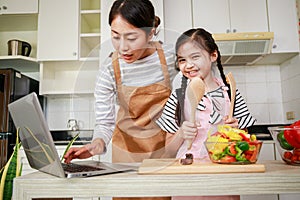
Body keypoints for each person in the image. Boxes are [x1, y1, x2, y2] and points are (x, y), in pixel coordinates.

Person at [64, 0, 176, 199]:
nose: (123, 47)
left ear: (151, 33)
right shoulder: (109, 68)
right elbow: (105, 123)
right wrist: (96, 144)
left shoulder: (171, 57)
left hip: (163, 152)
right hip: (125, 154)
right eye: (115, 37)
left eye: (132, 37)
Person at [156, 28, 256, 200]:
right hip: (186, 179)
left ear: (213, 56)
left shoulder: (231, 93)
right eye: (182, 60)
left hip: (224, 178)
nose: (188, 65)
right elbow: (167, 151)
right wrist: (181, 134)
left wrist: (237, 134)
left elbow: (245, 148)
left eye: (195, 57)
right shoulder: (178, 96)